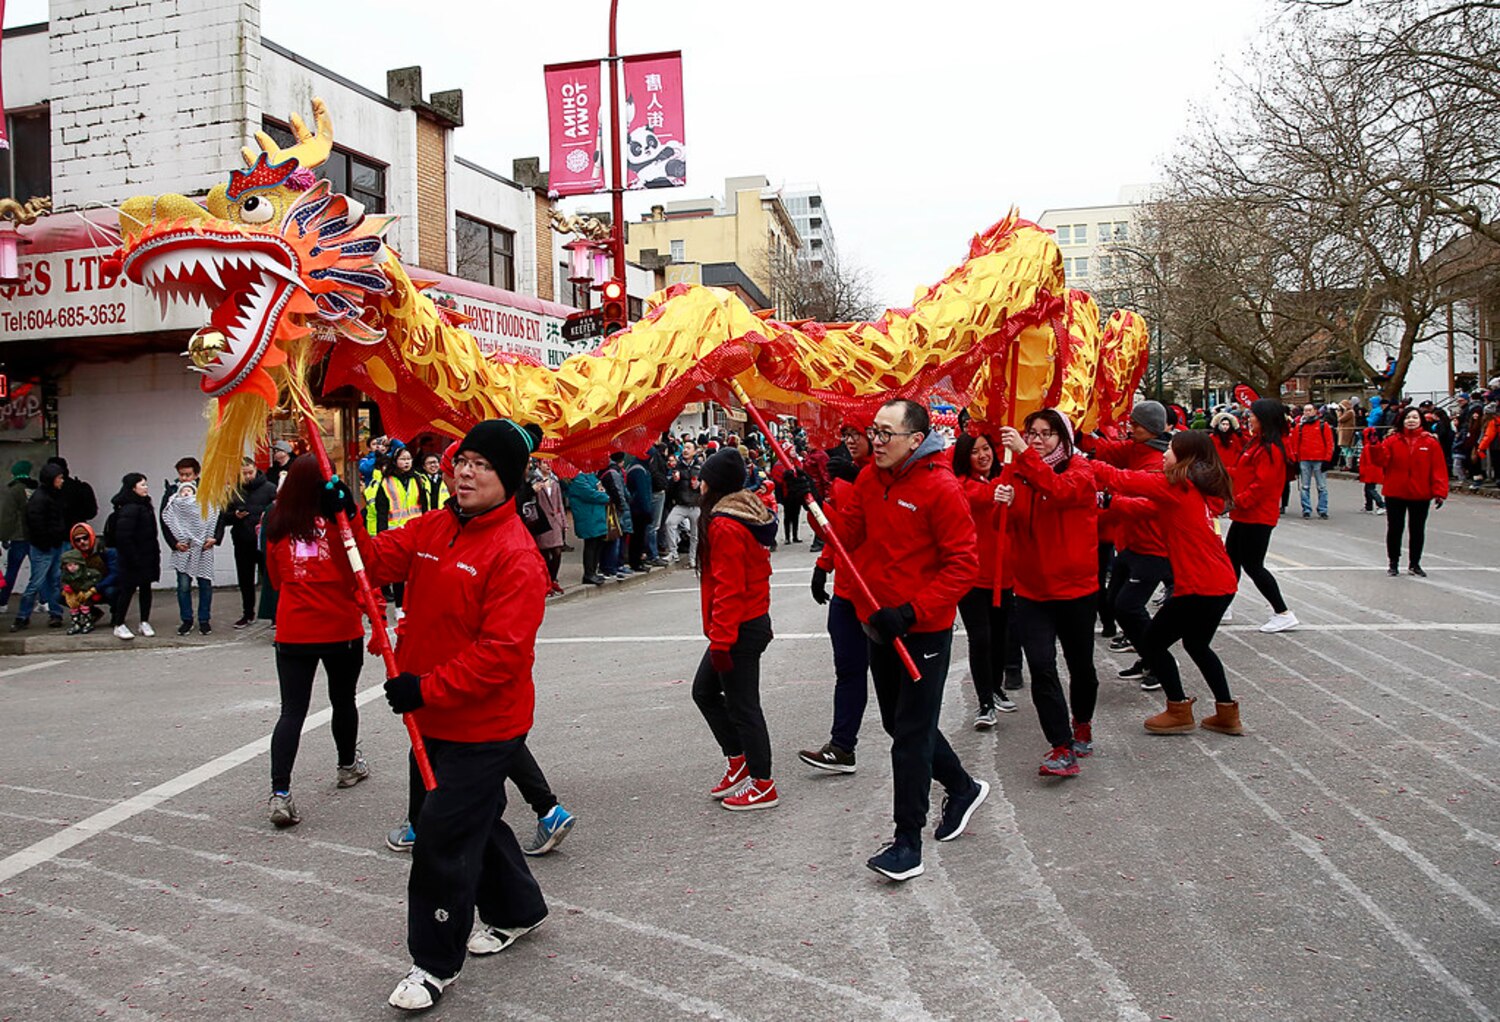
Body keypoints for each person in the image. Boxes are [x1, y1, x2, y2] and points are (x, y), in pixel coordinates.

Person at [359, 418, 553, 1012]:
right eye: (462, 460)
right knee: (468, 820)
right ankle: (518, 910)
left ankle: (433, 963)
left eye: (483, 466)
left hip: (485, 724)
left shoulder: (516, 555)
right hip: (432, 719)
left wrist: (426, 688)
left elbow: (501, 656)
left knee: (441, 836)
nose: (466, 471)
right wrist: (330, 510)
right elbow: (371, 559)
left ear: (510, 481)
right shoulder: (436, 527)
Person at [838, 399, 988, 882]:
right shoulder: (868, 479)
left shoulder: (940, 488)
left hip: (920, 630)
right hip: (878, 624)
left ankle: (908, 842)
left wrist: (911, 611)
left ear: (915, 440)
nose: (875, 441)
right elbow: (850, 536)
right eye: (873, 432)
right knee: (898, 723)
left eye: (886, 434)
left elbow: (964, 565)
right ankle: (962, 787)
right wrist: (820, 500)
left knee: (909, 735)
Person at [1090, 432, 1245, 736]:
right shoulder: (1191, 489)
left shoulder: (1176, 483)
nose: (1163, 454)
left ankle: (1178, 708)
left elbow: (1124, 478)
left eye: (1170, 450)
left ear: (1185, 457)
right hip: (1220, 583)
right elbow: (1142, 508)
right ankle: (1227, 713)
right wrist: (1109, 501)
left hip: (1200, 585)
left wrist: (1085, 463)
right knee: (1198, 645)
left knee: (1152, 643)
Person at [261, 455, 373, 827]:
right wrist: (352, 513)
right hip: (340, 626)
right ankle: (346, 764)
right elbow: (362, 560)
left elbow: (275, 579)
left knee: (292, 711)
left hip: (294, 628)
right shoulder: (338, 521)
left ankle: (280, 792)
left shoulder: (276, 522)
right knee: (343, 700)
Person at [995, 411, 1101, 777]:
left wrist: (1025, 454)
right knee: (1041, 667)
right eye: (1032, 433)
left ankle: (1082, 722)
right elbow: (1007, 528)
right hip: (1031, 589)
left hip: (1075, 588)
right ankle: (1060, 744)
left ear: (1064, 439)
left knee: (1080, 665)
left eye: (1047, 434)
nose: (1037, 439)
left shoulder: (1081, 471)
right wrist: (1003, 502)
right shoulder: (1020, 473)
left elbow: (1059, 491)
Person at [693, 446, 780, 810]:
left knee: (744, 706)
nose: (697, 482)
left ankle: (763, 783)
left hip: (740, 627)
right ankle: (738, 759)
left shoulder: (726, 524)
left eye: (703, 476)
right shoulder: (741, 513)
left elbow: (730, 588)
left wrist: (722, 642)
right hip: (740, 624)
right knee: (704, 692)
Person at [953, 432, 1018, 728]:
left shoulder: (1001, 482)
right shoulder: (961, 485)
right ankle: (984, 702)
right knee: (981, 638)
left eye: (987, 449)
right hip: (972, 576)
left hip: (1003, 574)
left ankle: (995, 686)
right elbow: (974, 497)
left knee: (1001, 636)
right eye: (975, 451)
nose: (983, 455)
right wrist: (996, 491)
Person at [1226, 399, 1299, 633]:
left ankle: (1282, 612)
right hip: (1245, 513)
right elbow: (1243, 473)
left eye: (1253, 415)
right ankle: (1221, 604)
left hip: (1257, 515)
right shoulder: (1256, 443)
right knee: (1231, 561)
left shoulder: (1271, 449)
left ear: (1264, 418)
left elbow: (1262, 486)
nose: (1249, 418)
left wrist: (1234, 503)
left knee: (1253, 565)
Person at [1365, 406, 1448, 577]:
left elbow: (1438, 469)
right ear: (1402, 420)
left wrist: (1440, 492)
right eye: (1408, 418)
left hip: (1420, 493)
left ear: (1421, 421)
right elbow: (1381, 461)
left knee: (1417, 529)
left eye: (1415, 418)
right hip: (1395, 492)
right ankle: (1393, 562)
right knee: (1395, 528)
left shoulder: (1430, 443)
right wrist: (1374, 445)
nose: (1411, 421)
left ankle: (1414, 563)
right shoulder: (1392, 441)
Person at [364, 445, 425, 616]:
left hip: (416, 531)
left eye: (408, 459)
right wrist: (382, 534)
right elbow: (381, 510)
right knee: (399, 571)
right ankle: (399, 607)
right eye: (403, 459)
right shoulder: (386, 481)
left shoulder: (418, 479)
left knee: (417, 570)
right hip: (395, 531)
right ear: (395, 461)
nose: (406, 462)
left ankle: (413, 604)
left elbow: (425, 506)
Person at [160, 458, 218, 635]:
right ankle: (186, 619)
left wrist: (214, 537)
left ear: (196, 474)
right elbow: (164, 518)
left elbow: (218, 513)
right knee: (183, 585)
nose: (184, 478)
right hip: (183, 546)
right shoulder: (172, 492)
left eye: (188, 474)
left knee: (205, 583)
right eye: (181, 474)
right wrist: (174, 543)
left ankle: (204, 620)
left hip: (204, 545)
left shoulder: (207, 491)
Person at [217, 457, 277, 628]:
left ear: (256, 469)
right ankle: (247, 613)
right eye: (244, 474)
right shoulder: (233, 491)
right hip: (242, 539)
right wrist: (234, 516)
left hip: (265, 541)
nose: (248, 477)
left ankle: (275, 615)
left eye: (250, 472)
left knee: (270, 578)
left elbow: (277, 512)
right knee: (245, 579)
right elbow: (223, 517)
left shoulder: (269, 488)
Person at [12, 462, 68, 631]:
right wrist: (46, 543)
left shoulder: (52, 495)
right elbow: (35, 524)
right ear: (51, 479)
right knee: (37, 582)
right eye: (59, 478)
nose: (62, 481)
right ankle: (22, 616)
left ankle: (55, 613)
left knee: (54, 581)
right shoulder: (41, 498)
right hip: (44, 547)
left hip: (53, 544)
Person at [108, 473, 160, 639]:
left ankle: (144, 621)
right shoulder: (129, 508)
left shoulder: (144, 505)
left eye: (146, 484)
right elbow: (123, 537)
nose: (146, 487)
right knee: (127, 590)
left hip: (147, 555)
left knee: (146, 589)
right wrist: (133, 557)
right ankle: (119, 623)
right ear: (133, 488)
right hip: (133, 558)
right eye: (142, 485)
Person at [60, 523, 110, 634]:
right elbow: (65, 576)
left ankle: (117, 615)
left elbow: (113, 574)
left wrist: (94, 589)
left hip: (102, 585)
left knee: (112, 591)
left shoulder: (103, 550)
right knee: (60, 595)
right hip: (82, 587)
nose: (82, 542)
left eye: (85, 538)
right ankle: (86, 617)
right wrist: (67, 588)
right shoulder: (73, 555)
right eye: (77, 540)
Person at [566, 465, 611, 585]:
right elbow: (590, 494)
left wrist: (601, 492)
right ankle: (589, 573)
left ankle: (593, 572)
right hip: (588, 516)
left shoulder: (589, 475)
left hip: (596, 515)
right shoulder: (578, 479)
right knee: (591, 545)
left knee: (598, 542)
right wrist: (604, 496)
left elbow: (599, 487)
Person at [0, 460, 36, 606]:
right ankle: (45, 602)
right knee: (39, 571)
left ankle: (3, 602)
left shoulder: (13, 490)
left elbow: (8, 516)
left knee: (12, 571)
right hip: (35, 536)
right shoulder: (35, 488)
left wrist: (4, 536)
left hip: (19, 536)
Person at [1289, 404, 1334, 519]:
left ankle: (1322, 509)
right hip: (1304, 459)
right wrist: (1295, 460)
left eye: (1309, 410)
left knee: (1322, 486)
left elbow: (1329, 443)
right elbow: (1295, 444)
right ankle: (1306, 509)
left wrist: (1327, 459)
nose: (1307, 412)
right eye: (1305, 410)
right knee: (1305, 486)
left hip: (1319, 459)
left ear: (1315, 411)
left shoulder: (1323, 425)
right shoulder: (1300, 427)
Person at [531, 459, 567, 596]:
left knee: (557, 552)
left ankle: (553, 578)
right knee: (545, 554)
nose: (548, 466)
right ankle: (546, 581)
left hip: (555, 521)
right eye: (545, 463)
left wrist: (563, 522)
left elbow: (560, 504)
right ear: (539, 465)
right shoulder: (534, 481)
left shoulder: (555, 482)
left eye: (550, 463)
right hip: (542, 522)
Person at [662, 456, 702, 568]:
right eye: (685, 447)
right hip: (681, 504)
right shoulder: (678, 467)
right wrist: (674, 481)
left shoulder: (700, 467)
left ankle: (692, 558)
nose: (685, 450)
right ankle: (673, 552)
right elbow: (670, 487)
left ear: (694, 451)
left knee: (695, 534)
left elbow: (706, 485)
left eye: (689, 448)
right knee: (669, 523)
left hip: (695, 504)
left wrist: (699, 485)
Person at [47, 456, 98, 530]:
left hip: (54, 534)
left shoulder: (46, 491)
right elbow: (91, 513)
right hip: (76, 531)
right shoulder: (80, 487)